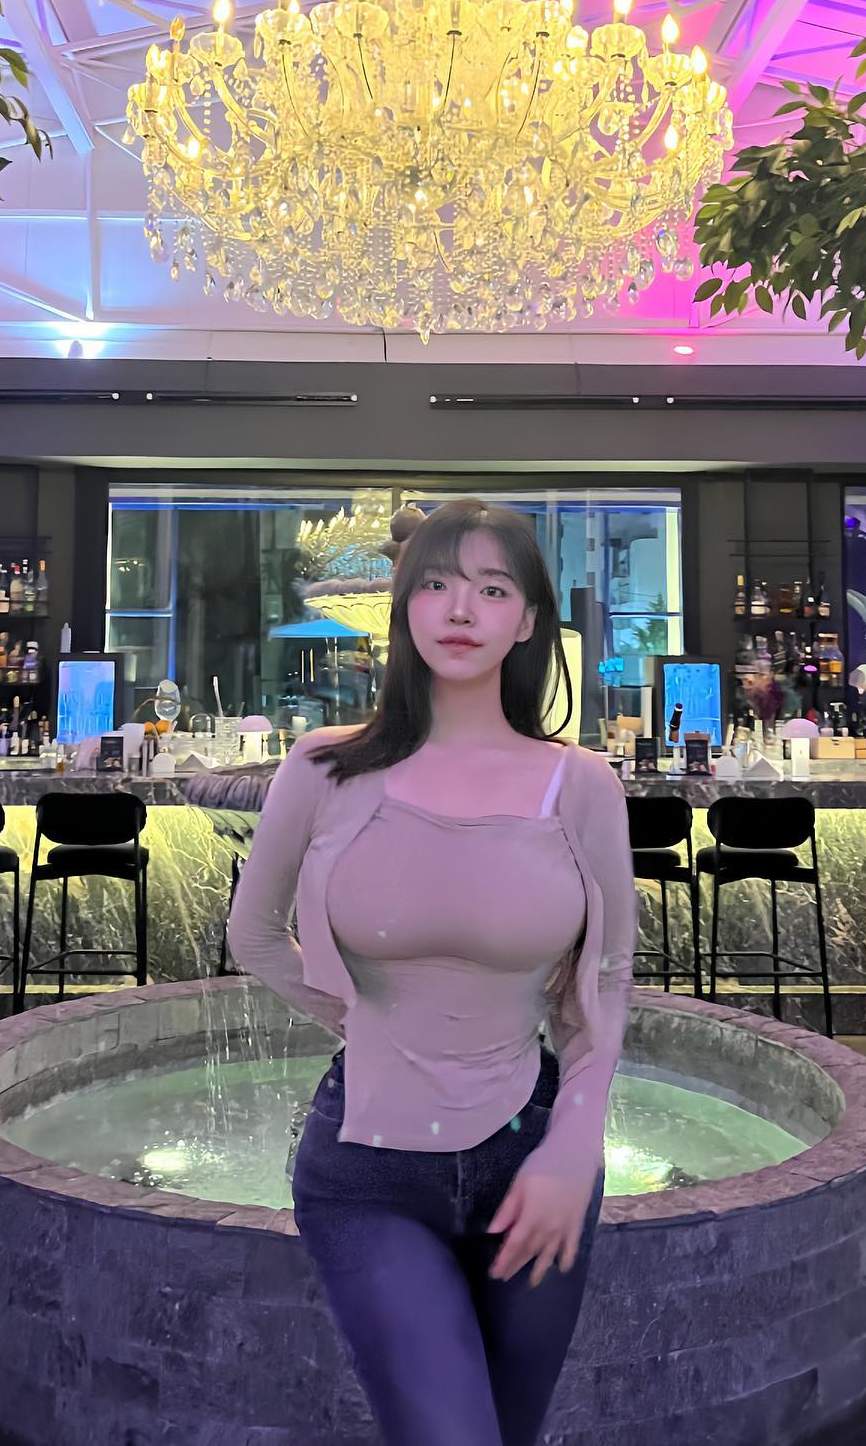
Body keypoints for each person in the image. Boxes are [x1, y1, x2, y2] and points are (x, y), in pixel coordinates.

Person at [228, 499, 634, 1446]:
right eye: (438, 584)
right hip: (366, 1169)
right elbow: (255, 935)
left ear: (527, 620)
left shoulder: (580, 784)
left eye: (492, 589)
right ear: (405, 603)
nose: (460, 609)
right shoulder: (322, 768)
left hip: (532, 1152)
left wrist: (574, 1145)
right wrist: (367, 1022)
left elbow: (606, 981)